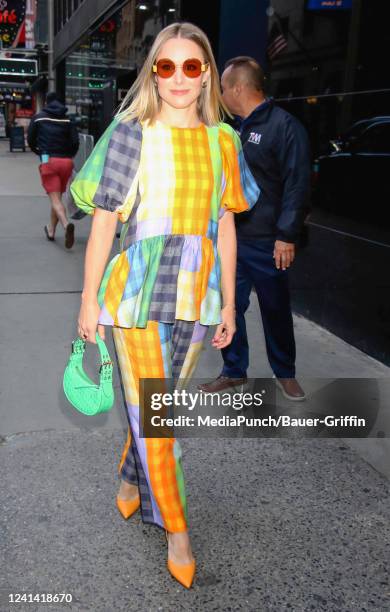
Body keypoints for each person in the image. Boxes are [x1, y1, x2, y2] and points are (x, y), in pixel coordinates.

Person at [70, 23, 259, 589]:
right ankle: (176, 527)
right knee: (158, 421)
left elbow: (225, 226)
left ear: (207, 74)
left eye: (192, 66)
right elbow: (105, 222)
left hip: (196, 295)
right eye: (167, 66)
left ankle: (131, 480)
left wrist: (226, 305)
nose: (179, 78)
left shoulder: (223, 141)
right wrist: (87, 302)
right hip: (135, 296)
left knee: (156, 408)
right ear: (154, 72)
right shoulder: (132, 134)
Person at [200, 57, 310, 401]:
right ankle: (234, 372)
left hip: (269, 242)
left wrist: (286, 235)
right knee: (228, 309)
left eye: (222, 88)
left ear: (237, 88)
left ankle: (285, 373)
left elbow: (298, 183)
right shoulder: (231, 129)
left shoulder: (285, 126)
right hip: (232, 239)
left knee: (275, 310)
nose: (220, 94)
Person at [27, 91, 79, 248]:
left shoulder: (39, 118)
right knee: (57, 196)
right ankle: (51, 230)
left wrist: (40, 152)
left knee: (55, 199)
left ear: (46, 103)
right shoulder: (68, 119)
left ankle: (65, 224)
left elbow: (30, 140)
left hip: (49, 161)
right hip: (66, 162)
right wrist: (69, 155)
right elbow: (75, 142)